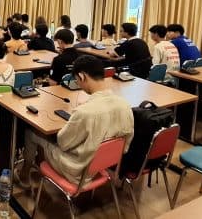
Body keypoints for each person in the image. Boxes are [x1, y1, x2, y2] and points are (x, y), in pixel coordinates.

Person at [19, 55, 134, 187]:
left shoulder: (84, 112)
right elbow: (125, 145)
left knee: (32, 132)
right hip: (103, 165)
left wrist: (73, 121)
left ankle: (24, 175)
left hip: (77, 171)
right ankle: (40, 165)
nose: (78, 84)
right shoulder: (125, 105)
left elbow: (63, 143)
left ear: (81, 76)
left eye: (77, 80)